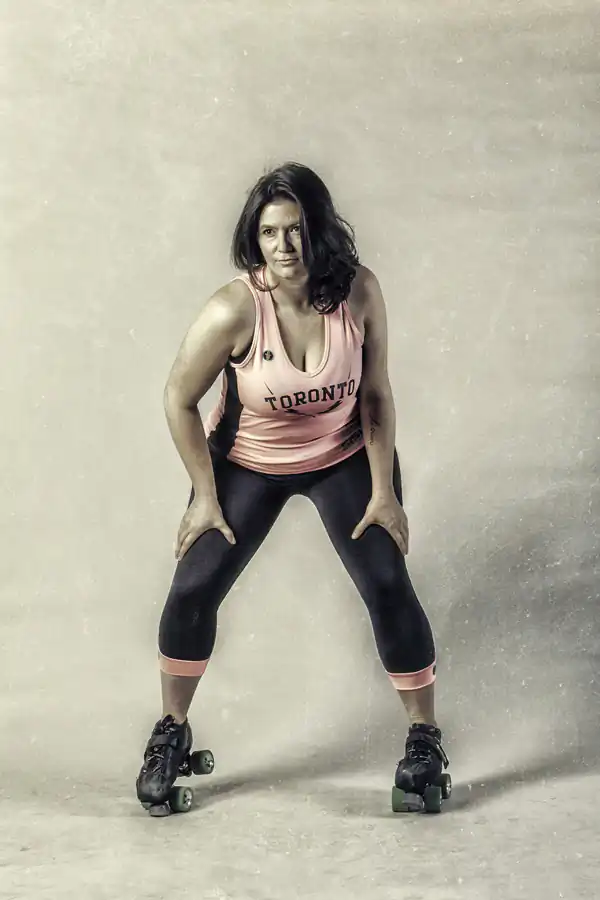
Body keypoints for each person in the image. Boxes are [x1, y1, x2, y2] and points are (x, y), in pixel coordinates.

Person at [136, 161, 450, 814]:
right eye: (269, 232)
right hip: (248, 463)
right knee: (193, 587)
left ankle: (425, 739)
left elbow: (376, 393)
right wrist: (204, 494)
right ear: (255, 237)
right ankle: (171, 731)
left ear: (319, 230)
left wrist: (385, 491)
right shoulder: (234, 310)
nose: (282, 246)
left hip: (343, 457)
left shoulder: (358, 293)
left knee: (386, 580)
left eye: (295, 229)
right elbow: (177, 397)